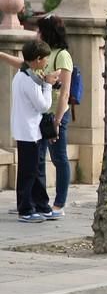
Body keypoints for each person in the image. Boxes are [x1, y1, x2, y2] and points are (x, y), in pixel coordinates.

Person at [0, 14, 74, 218]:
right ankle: (34, 203)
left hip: (53, 114)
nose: (36, 33)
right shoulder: (34, 62)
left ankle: (58, 204)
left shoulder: (61, 55)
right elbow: (24, 64)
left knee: (58, 158)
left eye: (39, 30)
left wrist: (57, 121)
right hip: (38, 114)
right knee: (35, 163)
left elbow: (65, 92)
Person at [12, 40, 55, 222]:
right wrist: (49, 85)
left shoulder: (22, 76)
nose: (46, 62)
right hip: (28, 132)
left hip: (28, 131)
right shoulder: (28, 80)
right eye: (45, 59)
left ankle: (41, 205)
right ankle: (25, 209)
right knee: (28, 173)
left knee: (34, 170)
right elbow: (44, 106)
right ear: (37, 59)